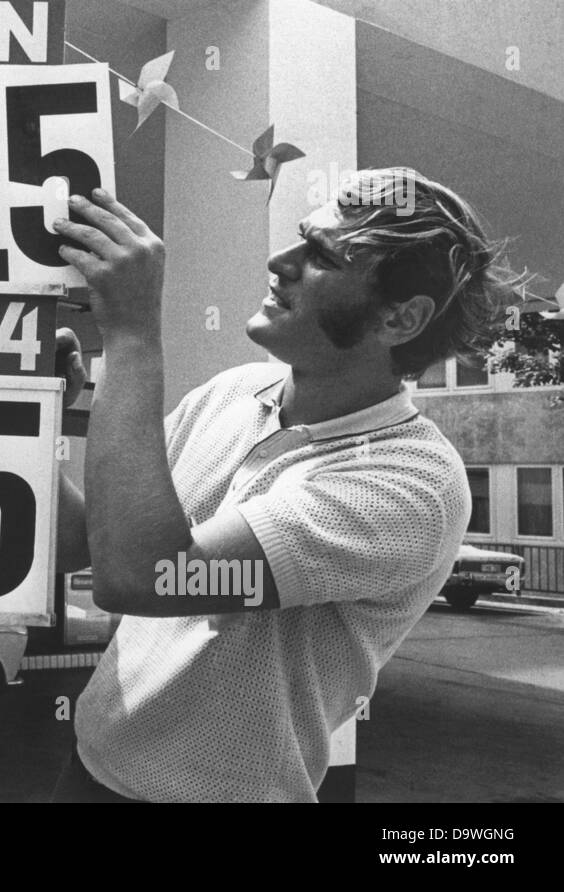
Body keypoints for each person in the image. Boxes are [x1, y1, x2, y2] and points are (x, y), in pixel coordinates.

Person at [49, 168, 516, 803]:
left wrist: (130, 333)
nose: (281, 259)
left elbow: (149, 577)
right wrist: (31, 422)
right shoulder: (233, 392)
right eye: (303, 237)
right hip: (88, 772)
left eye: (323, 255)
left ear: (402, 317)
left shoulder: (409, 487)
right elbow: (87, 543)